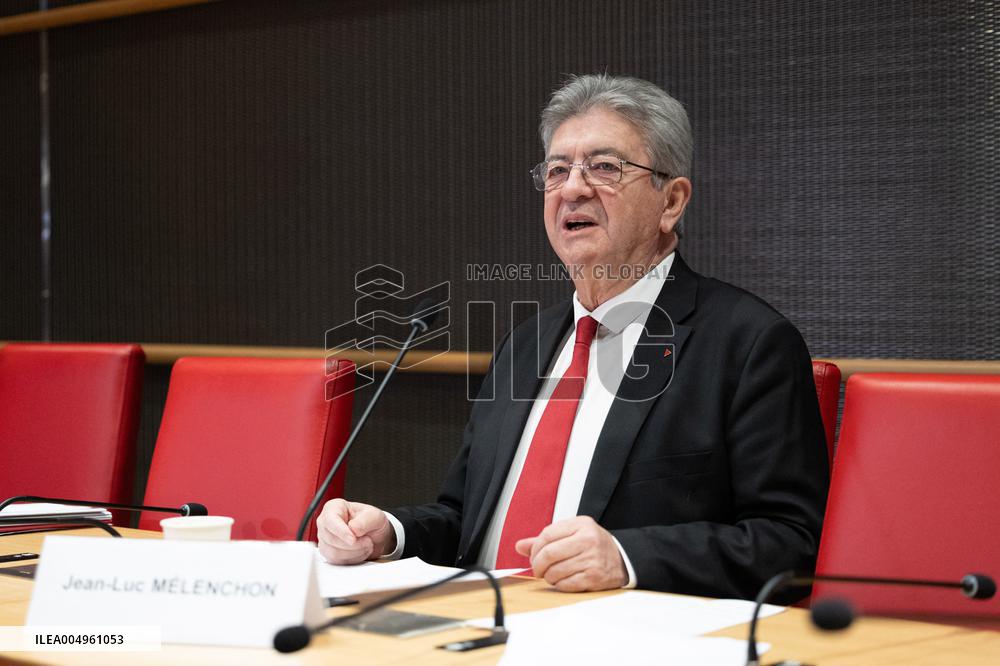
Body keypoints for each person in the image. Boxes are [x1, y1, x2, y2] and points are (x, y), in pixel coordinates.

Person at [317, 74, 829, 599]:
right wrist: (389, 533)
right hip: (479, 629)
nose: (573, 188)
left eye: (605, 167)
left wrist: (629, 559)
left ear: (671, 201)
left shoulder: (748, 344)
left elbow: (790, 541)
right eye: (558, 170)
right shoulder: (524, 345)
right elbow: (464, 520)